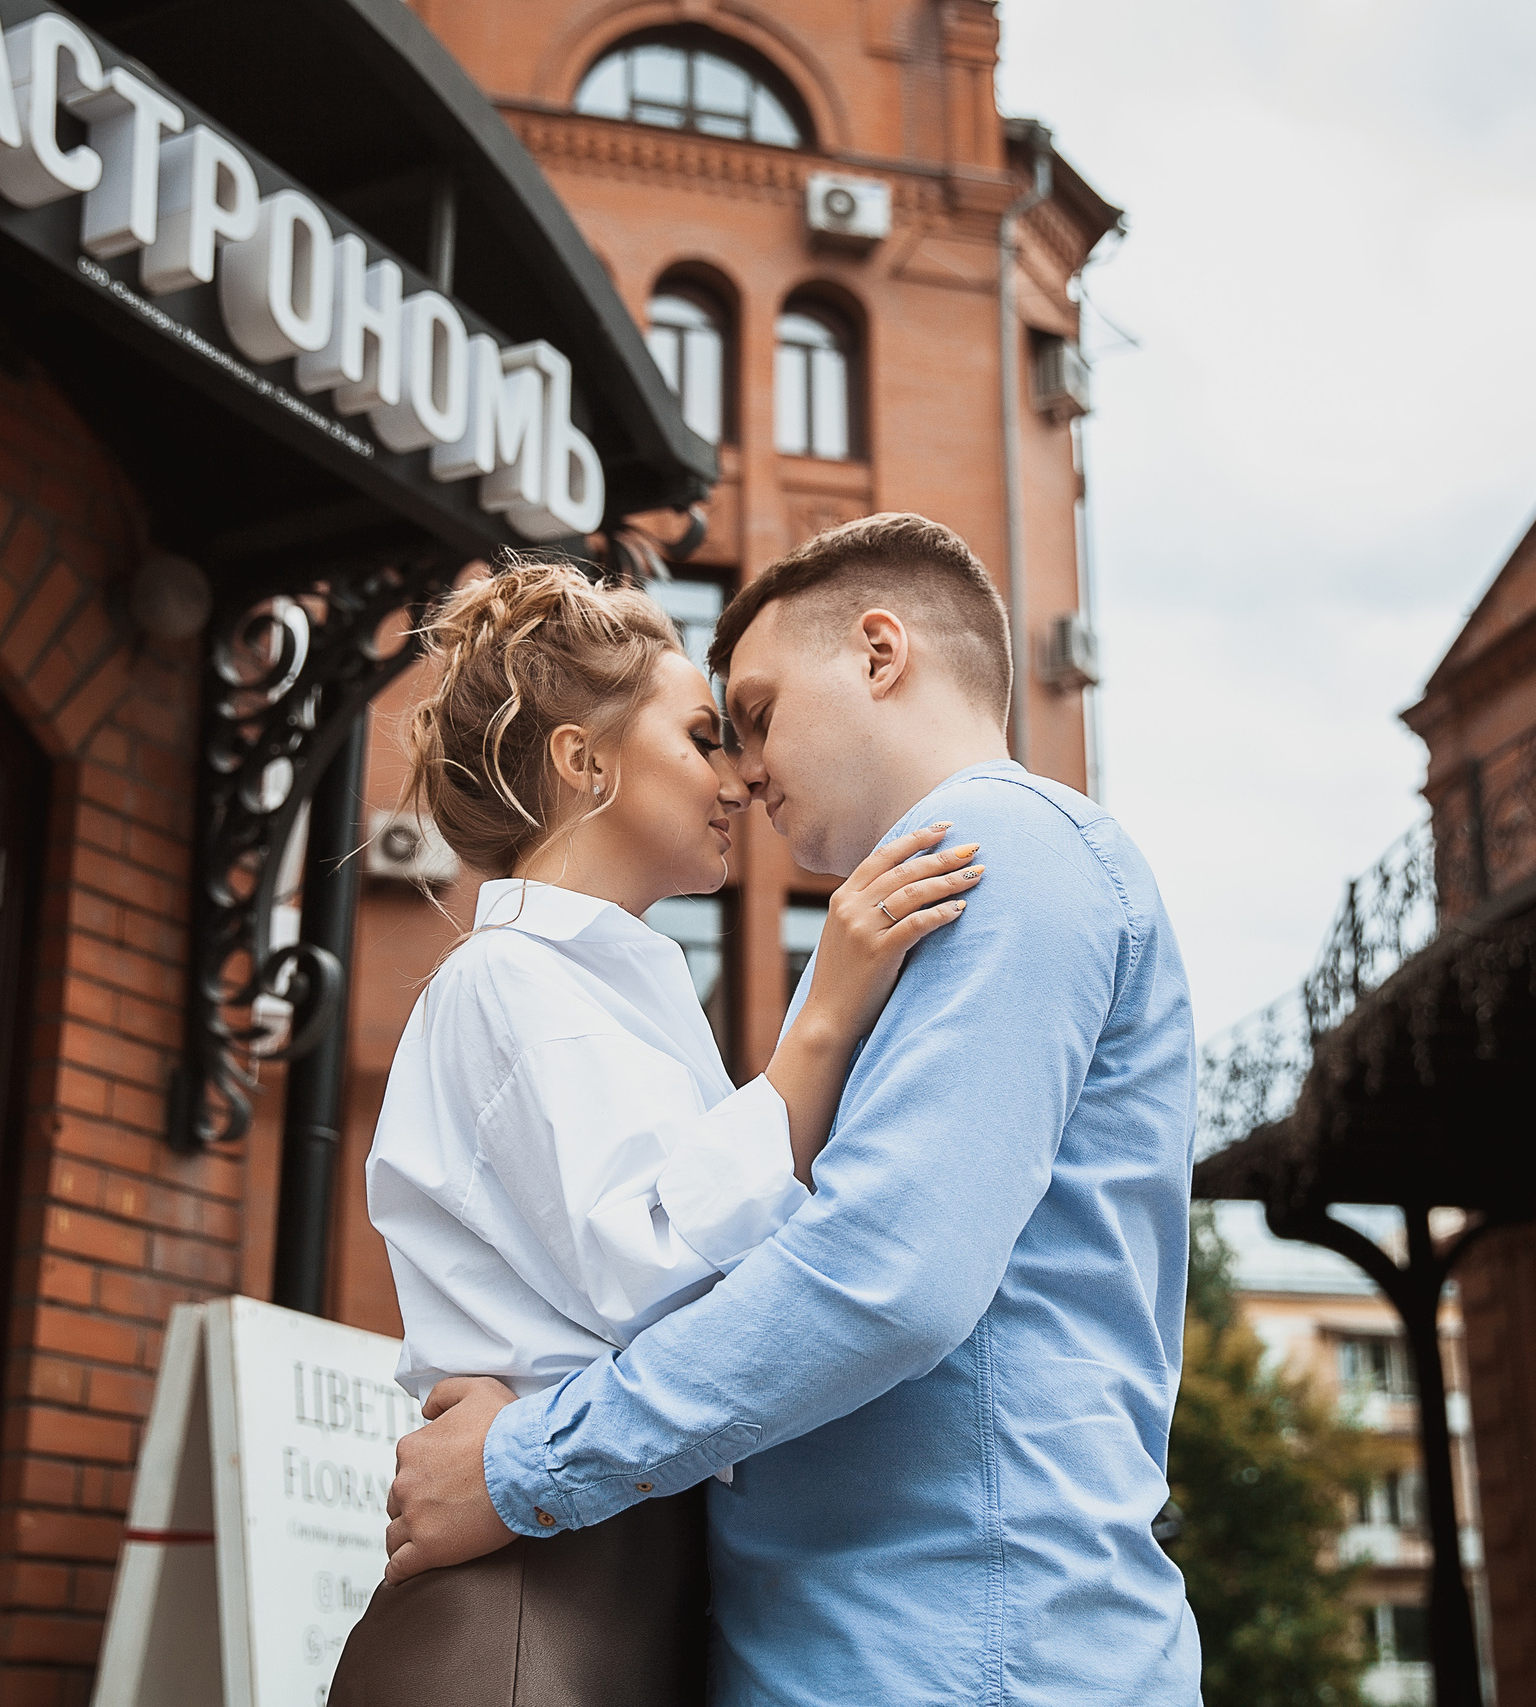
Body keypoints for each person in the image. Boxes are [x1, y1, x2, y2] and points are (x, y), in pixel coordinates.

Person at [380, 513, 1203, 1705]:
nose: (743, 769)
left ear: (879, 654)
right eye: (714, 733)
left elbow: (882, 1275)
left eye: (753, 715)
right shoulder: (871, 915)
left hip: (955, 1652)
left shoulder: (992, 845)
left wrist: (522, 1463)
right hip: (879, 1641)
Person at [329, 556, 985, 1705]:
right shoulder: (512, 981)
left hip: (595, 1555)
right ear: (584, 762)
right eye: (702, 737)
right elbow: (657, 1273)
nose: (741, 777)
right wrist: (821, 1020)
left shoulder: (611, 990)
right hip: (538, 1593)